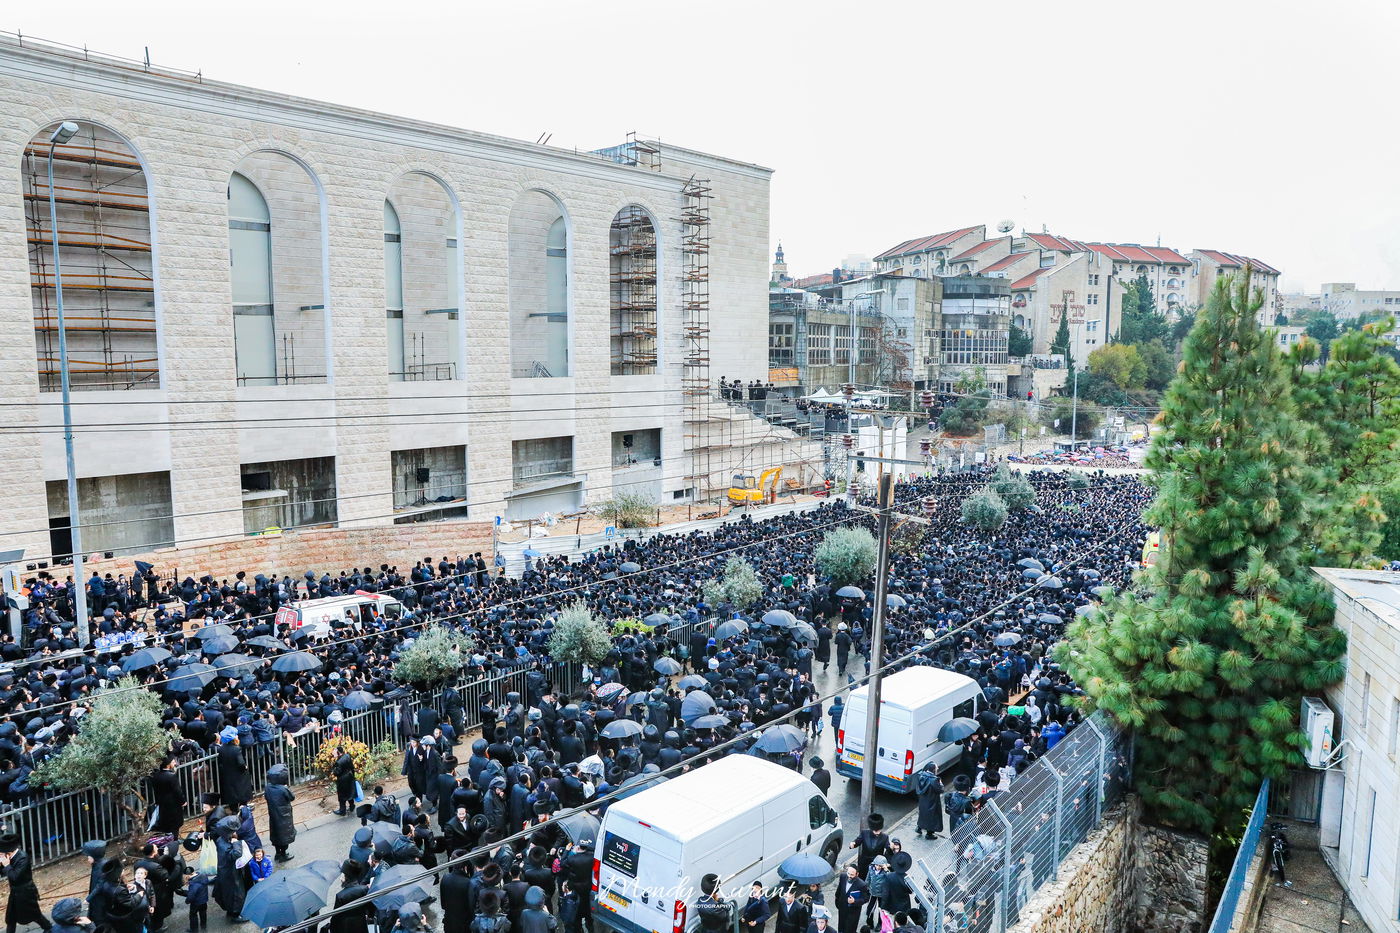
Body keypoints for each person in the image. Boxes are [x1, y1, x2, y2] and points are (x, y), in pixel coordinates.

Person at [0, 835, 51, 933]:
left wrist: (6, 865)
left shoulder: (23, 858)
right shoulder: (7, 857)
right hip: (15, 892)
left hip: (25, 892)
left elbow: (14, 877)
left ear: (8, 852)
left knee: (35, 914)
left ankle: (48, 927)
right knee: (11, 918)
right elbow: (4, 872)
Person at [264, 763, 297, 861]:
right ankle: (283, 854)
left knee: (276, 834)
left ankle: (277, 853)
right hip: (284, 816)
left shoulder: (268, 788)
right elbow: (292, 797)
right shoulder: (283, 789)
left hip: (273, 815)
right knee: (284, 834)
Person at [913, 765, 944, 839]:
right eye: (936, 768)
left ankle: (919, 827)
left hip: (923, 801)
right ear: (933, 770)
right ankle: (929, 834)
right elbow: (940, 789)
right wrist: (941, 783)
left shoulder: (921, 775)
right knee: (932, 818)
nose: (937, 769)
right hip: (932, 801)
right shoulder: (934, 780)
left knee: (923, 814)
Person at [834, 866, 867, 933]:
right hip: (842, 909)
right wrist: (837, 902)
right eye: (848, 873)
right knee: (841, 927)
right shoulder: (843, 876)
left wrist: (854, 901)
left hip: (853, 913)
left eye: (852, 875)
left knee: (849, 930)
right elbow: (839, 890)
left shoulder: (862, 885)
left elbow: (865, 899)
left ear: (857, 874)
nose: (849, 876)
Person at [333, 743, 357, 816]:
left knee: (342, 796)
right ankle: (352, 806)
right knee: (350, 792)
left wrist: (334, 769)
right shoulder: (347, 756)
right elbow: (352, 767)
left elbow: (337, 773)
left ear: (338, 752)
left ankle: (342, 811)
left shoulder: (338, 762)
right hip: (350, 777)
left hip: (342, 780)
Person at [184, 868, 209, 933]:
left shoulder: (193, 884)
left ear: (188, 875)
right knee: (203, 913)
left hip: (196, 903)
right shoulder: (202, 876)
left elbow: (191, 896)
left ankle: (194, 930)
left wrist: (187, 901)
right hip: (204, 901)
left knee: (193, 915)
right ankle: (203, 927)